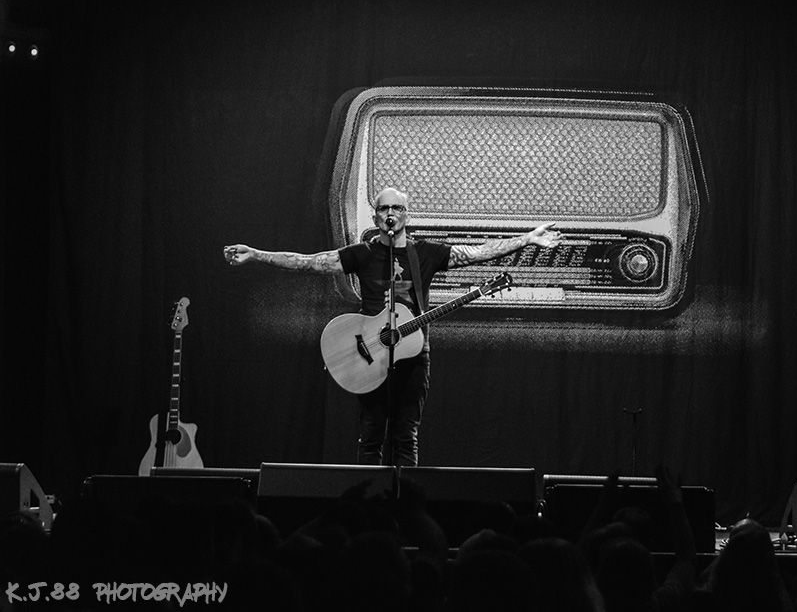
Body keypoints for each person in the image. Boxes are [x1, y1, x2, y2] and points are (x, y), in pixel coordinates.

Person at [224, 186, 561, 467]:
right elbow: (309, 263)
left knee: (405, 436)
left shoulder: (425, 254)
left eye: (397, 208)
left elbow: (476, 253)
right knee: (371, 437)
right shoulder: (362, 254)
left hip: (414, 355)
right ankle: (369, 509)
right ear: (376, 217)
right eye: (384, 208)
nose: (390, 213)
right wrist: (256, 254)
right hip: (369, 353)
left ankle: (403, 511)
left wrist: (527, 239)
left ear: (406, 215)